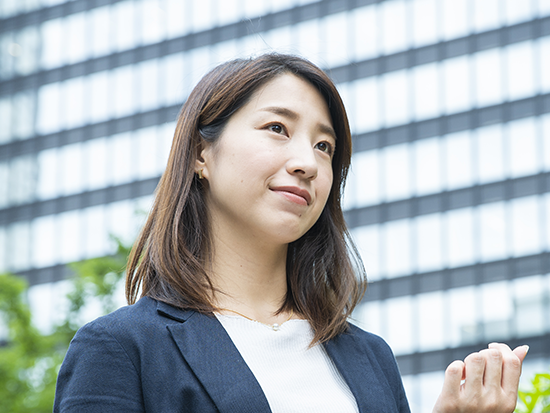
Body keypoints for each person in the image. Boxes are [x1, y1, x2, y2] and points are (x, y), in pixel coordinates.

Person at [53, 53, 528, 413]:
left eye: (324, 146)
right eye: (277, 128)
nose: (307, 163)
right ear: (201, 153)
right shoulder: (121, 348)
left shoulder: (369, 356)